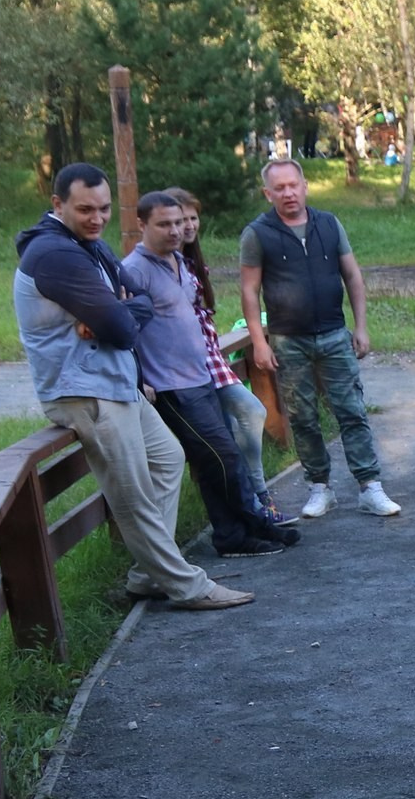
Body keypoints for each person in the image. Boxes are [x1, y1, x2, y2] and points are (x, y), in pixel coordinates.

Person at [14, 165, 249, 610]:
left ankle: (148, 574)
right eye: (84, 209)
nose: (97, 218)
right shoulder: (54, 255)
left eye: (103, 208)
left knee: (167, 457)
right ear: (57, 204)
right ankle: (187, 585)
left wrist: (122, 311)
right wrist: (119, 314)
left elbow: (133, 303)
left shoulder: (88, 247)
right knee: (132, 494)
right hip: (84, 390)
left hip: (114, 382)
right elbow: (122, 328)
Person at [119, 192, 300, 557]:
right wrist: (142, 379)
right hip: (170, 386)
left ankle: (232, 537)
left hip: (200, 375)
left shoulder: (178, 260)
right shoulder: (134, 270)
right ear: (142, 225)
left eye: (178, 223)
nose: (175, 231)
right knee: (224, 457)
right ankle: (257, 521)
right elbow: (124, 330)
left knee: (213, 462)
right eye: (163, 224)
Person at [240, 158, 400, 520]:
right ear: (268, 193)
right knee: (303, 417)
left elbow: (353, 277)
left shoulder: (328, 224)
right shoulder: (257, 233)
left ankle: (369, 486)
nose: (288, 193)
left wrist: (360, 326)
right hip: (287, 338)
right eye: (279, 188)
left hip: (333, 333)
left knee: (352, 411)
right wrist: (259, 341)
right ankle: (319, 487)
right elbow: (249, 291)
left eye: (293, 185)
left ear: (305, 185)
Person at [179, 194, 286, 525]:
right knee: (222, 438)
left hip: (211, 357)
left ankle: (257, 494)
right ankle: (250, 502)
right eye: (180, 220)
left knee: (252, 412)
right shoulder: (165, 264)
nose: (188, 226)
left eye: (193, 218)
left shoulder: (191, 261)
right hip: (186, 366)